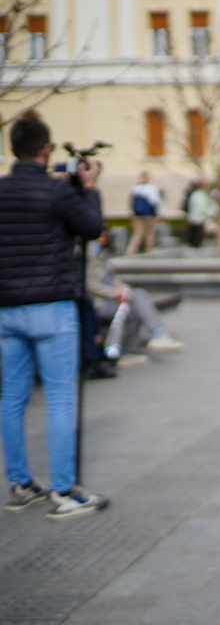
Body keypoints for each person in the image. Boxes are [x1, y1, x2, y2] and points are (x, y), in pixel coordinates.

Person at [0, 117, 109, 519]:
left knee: (12, 397)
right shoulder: (54, 191)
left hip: (7, 309)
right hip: (51, 306)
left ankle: (21, 483)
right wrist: (92, 188)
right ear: (46, 151)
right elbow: (93, 228)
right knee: (61, 396)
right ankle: (64, 491)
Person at [87, 226, 185, 362]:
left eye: (104, 233)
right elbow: (89, 284)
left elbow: (111, 278)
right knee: (136, 300)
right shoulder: (90, 252)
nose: (103, 237)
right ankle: (155, 335)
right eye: (99, 234)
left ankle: (130, 350)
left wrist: (121, 288)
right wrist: (114, 293)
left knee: (135, 300)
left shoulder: (100, 251)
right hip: (99, 303)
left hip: (110, 298)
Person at [125, 171, 162, 255]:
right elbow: (156, 202)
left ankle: (131, 252)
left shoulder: (134, 188)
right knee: (149, 234)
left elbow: (131, 203)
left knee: (137, 234)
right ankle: (150, 252)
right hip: (149, 215)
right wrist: (156, 215)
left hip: (137, 215)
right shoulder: (152, 188)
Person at [184, 180, 216, 248]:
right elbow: (204, 208)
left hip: (192, 217)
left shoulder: (193, 194)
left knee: (193, 236)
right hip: (200, 218)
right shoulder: (203, 195)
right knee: (198, 237)